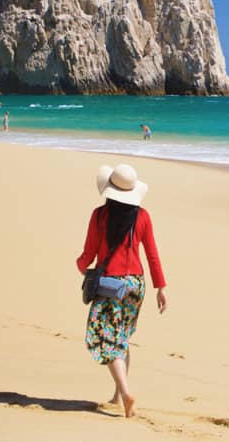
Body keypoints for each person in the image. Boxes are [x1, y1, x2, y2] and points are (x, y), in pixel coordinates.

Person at [76, 164, 167, 418]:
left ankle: (126, 394)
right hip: (136, 284)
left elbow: (89, 254)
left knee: (107, 339)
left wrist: (81, 267)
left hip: (111, 286)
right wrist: (161, 287)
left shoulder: (99, 216)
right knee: (122, 336)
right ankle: (117, 395)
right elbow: (152, 255)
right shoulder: (143, 216)